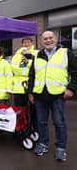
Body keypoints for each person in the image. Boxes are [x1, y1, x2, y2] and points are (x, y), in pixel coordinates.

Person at [28, 31, 77, 162]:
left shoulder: (65, 53)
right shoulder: (37, 55)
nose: (48, 40)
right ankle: (43, 144)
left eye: (50, 38)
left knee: (59, 123)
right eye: (45, 39)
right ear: (41, 41)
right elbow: (31, 76)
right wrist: (30, 92)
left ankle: (61, 148)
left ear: (55, 39)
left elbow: (75, 72)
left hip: (58, 95)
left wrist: (71, 88)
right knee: (41, 122)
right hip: (39, 96)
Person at [11, 38, 37, 106]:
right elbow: (13, 68)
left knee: (33, 110)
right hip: (18, 88)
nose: (26, 44)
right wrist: (27, 69)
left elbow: (37, 67)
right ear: (22, 44)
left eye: (28, 42)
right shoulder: (16, 55)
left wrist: (28, 62)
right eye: (25, 43)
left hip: (32, 87)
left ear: (32, 43)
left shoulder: (36, 53)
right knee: (20, 109)